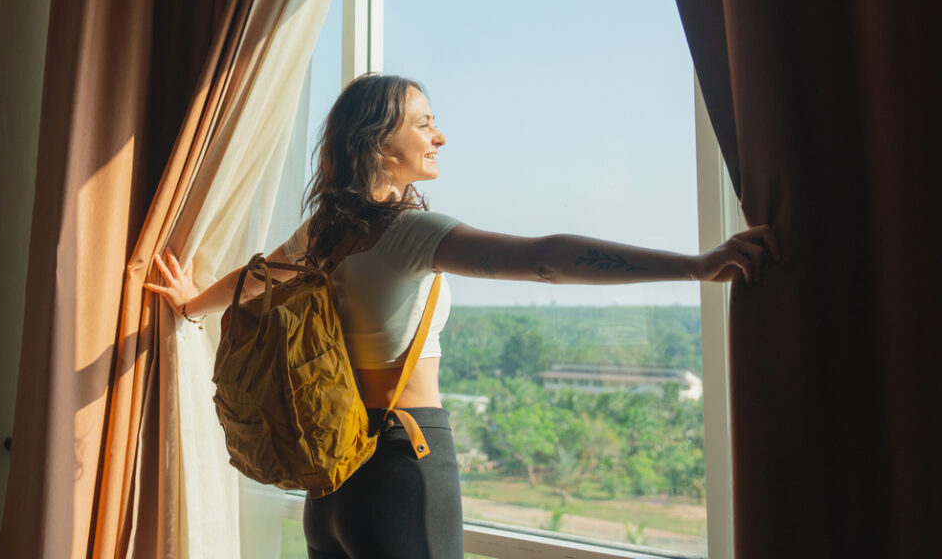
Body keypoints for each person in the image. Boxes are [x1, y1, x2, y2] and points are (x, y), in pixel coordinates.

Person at [145, 72, 779, 559]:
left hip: (329, 480)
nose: (439, 135)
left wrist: (189, 303)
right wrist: (697, 265)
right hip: (401, 463)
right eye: (424, 123)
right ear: (379, 143)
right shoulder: (409, 231)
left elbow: (251, 281)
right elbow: (545, 261)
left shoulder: (321, 234)